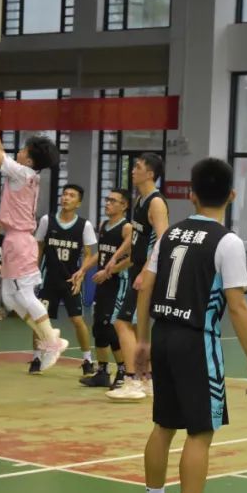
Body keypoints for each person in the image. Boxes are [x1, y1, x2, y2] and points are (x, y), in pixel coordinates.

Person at [134, 157, 247, 493]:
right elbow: (237, 305)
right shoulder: (227, 242)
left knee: (164, 425)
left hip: (163, 334)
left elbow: (145, 287)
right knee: (201, 431)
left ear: (190, 195)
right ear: (232, 195)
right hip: (196, 340)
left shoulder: (170, 235)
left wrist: (142, 340)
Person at [0, 94, 69, 371]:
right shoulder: (24, 173)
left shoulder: (23, 173)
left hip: (21, 240)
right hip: (16, 239)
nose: (19, 152)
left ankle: (51, 340)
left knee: (23, 294)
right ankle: (49, 336)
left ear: (30, 159)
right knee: (11, 298)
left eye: (23, 150)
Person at [108, 153, 169, 402]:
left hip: (148, 274)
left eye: (138, 167)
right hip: (137, 270)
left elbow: (163, 240)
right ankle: (147, 380)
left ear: (150, 174)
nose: (133, 170)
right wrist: (118, 263)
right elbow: (138, 242)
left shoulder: (156, 202)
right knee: (136, 327)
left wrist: (145, 272)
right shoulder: (140, 201)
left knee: (121, 322)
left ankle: (132, 379)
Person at [32, 184, 98, 375]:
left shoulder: (84, 225)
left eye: (72, 195)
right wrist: (34, 271)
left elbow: (89, 254)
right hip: (48, 278)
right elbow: (39, 247)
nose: (66, 198)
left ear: (79, 203)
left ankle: (87, 360)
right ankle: (37, 357)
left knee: (77, 320)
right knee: (39, 319)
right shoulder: (47, 220)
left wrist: (82, 274)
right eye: (64, 194)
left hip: (71, 280)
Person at [81, 188, 133, 389]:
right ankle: (102, 372)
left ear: (124, 205)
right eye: (107, 199)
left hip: (118, 283)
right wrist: (83, 269)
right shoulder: (104, 225)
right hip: (103, 282)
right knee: (98, 328)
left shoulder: (127, 228)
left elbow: (132, 258)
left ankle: (123, 371)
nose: (108, 203)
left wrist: (109, 271)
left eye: (113, 200)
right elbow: (101, 253)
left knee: (111, 328)